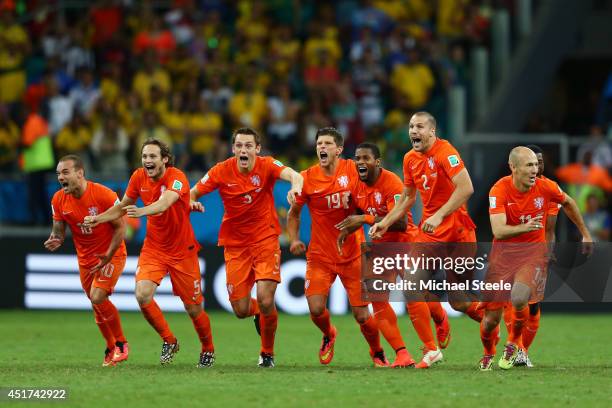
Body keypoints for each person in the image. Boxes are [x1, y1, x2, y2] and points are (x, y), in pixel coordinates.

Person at [83, 139, 215, 368]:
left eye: (153, 156)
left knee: (193, 308)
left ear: (165, 159)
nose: (147, 161)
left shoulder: (177, 177)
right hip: (154, 249)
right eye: (145, 156)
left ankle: (207, 349)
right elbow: (123, 205)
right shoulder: (137, 177)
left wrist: (141, 211)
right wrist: (98, 218)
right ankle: (169, 340)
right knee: (143, 295)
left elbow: (165, 203)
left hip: (183, 251)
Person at [370, 111, 481, 368]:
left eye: (419, 126)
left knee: (459, 300)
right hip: (429, 234)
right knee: (411, 285)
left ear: (432, 131)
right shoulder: (410, 158)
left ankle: (495, 322)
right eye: (410, 126)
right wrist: (384, 223)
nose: (413, 131)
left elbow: (467, 188)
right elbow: (408, 197)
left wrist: (441, 215)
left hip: (458, 232)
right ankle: (431, 350)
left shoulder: (446, 153)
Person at [190, 127, 303, 368]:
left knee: (265, 298)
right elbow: (193, 192)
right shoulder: (221, 171)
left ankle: (267, 353)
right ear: (233, 149)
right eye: (239, 145)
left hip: (265, 239)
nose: (244, 150)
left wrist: (295, 187)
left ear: (257, 149)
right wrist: (191, 202)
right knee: (241, 309)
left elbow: (296, 175)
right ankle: (260, 315)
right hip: (235, 245)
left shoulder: (267, 165)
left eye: (248, 146)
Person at [481, 146, 593, 371]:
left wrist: (585, 234)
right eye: (529, 165)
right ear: (513, 167)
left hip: (531, 255)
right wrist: (525, 227)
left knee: (521, 298)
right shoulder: (499, 190)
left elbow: (569, 202)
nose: (535, 170)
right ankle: (488, 352)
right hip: (502, 258)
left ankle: (514, 344)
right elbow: (499, 231)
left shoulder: (546, 187)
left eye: (536, 165)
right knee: (490, 321)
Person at [335, 142, 446, 368]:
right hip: (378, 248)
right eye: (357, 158)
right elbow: (358, 213)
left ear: (377, 162)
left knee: (413, 293)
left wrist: (364, 220)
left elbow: (401, 223)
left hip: (405, 243)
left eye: (365, 158)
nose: (360, 163)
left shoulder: (393, 183)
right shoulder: (356, 185)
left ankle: (435, 334)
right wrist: (347, 230)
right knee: (377, 300)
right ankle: (402, 354)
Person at [287, 127, 387, 367]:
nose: (322, 147)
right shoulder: (307, 177)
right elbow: (294, 214)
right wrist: (293, 239)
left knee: (362, 315)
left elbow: (375, 191)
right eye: (319, 143)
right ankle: (329, 333)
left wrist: (365, 220)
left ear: (339, 149)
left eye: (327, 143)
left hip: (353, 253)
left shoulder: (354, 171)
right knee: (315, 308)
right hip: (320, 255)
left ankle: (377, 351)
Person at [44, 154, 128, 367]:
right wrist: (56, 239)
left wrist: (109, 254)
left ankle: (121, 344)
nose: (60, 177)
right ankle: (110, 347)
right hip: (86, 260)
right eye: (58, 174)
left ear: (79, 173)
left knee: (98, 296)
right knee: (96, 304)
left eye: (65, 172)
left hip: (111, 254)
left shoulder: (103, 195)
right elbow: (59, 231)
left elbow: (121, 228)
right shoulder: (58, 200)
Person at [502, 144, 558, 368]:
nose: (538, 166)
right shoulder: (508, 187)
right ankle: (517, 349)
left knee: (532, 305)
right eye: (534, 162)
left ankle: (523, 350)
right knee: (512, 300)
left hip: (536, 253)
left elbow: (550, 230)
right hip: (510, 253)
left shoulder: (550, 190)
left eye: (540, 162)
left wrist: (548, 253)